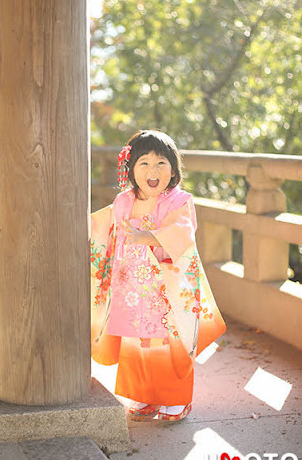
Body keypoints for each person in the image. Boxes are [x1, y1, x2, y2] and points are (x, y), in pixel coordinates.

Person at [90, 129, 226, 421]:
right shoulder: (124, 201)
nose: (153, 170)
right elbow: (106, 230)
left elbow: (182, 233)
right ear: (131, 169)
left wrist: (145, 236)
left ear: (174, 169)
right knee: (135, 340)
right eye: (144, 163)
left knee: (168, 342)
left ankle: (175, 398)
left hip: (167, 285)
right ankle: (143, 395)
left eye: (161, 163)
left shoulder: (179, 201)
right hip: (132, 286)